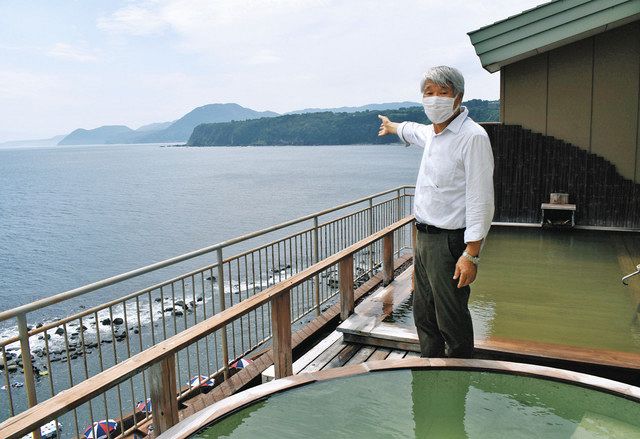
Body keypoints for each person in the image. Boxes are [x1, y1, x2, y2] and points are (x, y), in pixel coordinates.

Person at [377, 65, 494, 358]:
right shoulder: (432, 133)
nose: (435, 99)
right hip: (424, 237)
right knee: (424, 312)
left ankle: (457, 379)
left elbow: (481, 199)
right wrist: (392, 126)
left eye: (443, 92)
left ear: (458, 97)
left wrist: (472, 254)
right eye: (429, 93)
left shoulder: (472, 136)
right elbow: (411, 130)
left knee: (450, 317)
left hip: (450, 241)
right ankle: (429, 367)